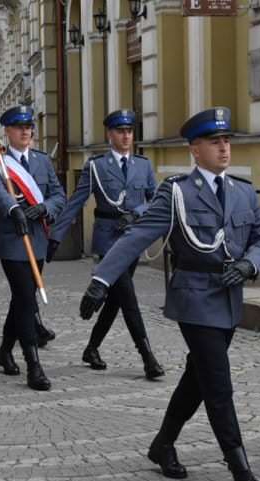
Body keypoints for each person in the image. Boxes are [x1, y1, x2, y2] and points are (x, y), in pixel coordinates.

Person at [79, 107, 260, 481]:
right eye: (214, 142)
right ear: (195, 150)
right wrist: (102, 280)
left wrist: (251, 264)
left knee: (198, 377)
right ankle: (242, 476)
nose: (224, 148)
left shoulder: (242, 191)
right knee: (218, 384)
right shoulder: (177, 193)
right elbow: (137, 236)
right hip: (194, 297)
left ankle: (163, 443)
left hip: (229, 296)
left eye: (227, 141)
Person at [48, 109, 164, 379]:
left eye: (129, 131)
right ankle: (147, 356)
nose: (126, 136)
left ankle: (91, 348)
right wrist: (56, 235)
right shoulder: (96, 167)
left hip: (132, 238)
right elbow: (76, 201)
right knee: (128, 297)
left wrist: (137, 213)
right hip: (108, 241)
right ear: (109, 135)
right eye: (120, 131)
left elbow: (155, 199)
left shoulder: (143, 165)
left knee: (115, 299)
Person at [0, 105, 67, 391]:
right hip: (13, 240)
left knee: (22, 299)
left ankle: (5, 350)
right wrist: (14, 209)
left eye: (29, 126)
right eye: (19, 127)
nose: (26, 132)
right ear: (7, 131)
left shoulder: (42, 161)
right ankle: (34, 365)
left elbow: (58, 194)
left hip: (38, 239)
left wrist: (44, 208)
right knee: (26, 300)